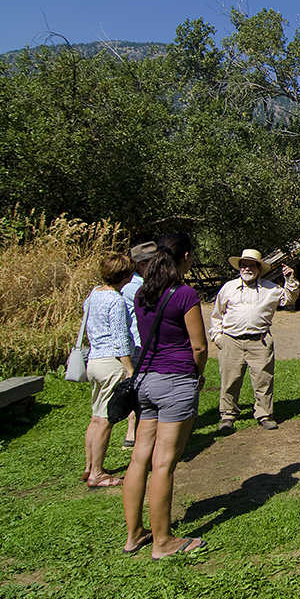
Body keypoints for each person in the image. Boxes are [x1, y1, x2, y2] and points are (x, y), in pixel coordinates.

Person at [122, 233, 207, 559]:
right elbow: (198, 346)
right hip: (175, 382)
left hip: (146, 382)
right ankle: (162, 541)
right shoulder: (184, 294)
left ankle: (134, 535)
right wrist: (197, 374)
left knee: (139, 458)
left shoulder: (143, 293)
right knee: (164, 463)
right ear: (184, 256)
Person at [211, 248, 298, 431]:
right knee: (230, 380)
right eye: (244, 265)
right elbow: (217, 314)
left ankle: (264, 414)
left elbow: (289, 299)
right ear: (239, 267)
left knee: (263, 380)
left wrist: (290, 279)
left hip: (260, 342)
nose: (247, 269)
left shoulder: (271, 289)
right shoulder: (228, 288)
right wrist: (218, 337)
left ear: (259, 268)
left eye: (251, 265)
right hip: (231, 341)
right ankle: (227, 416)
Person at [81, 252, 136, 488]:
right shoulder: (116, 300)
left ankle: (88, 466)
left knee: (95, 417)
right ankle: (97, 472)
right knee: (106, 419)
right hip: (110, 362)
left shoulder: (94, 294)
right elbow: (121, 337)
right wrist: (129, 367)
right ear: (125, 275)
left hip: (93, 360)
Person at [118, 240, 157, 448]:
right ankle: (134, 432)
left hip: (140, 345)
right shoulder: (137, 288)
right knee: (139, 388)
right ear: (142, 264)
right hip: (139, 346)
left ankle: (138, 432)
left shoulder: (133, 286)